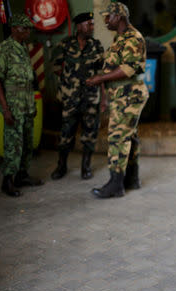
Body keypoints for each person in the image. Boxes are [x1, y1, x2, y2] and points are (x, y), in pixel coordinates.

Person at [86, 2, 149, 198]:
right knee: (128, 136)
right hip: (122, 95)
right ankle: (131, 179)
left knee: (117, 137)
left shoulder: (132, 38)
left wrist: (99, 79)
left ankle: (115, 184)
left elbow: (126, 69)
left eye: (108, 17)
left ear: (119, 16)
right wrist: (105, 94)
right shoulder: (120, 38)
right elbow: (110, 67)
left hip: (129, 94)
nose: (105, 20)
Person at [0, 13, 43, 197]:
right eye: (24, 28)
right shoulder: (4, 49)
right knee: (13, 144)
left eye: (29, 28)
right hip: (13, 105)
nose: (28, 32)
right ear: (14, 29)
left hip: (27, 103)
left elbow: (27, 79)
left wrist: (33, 103)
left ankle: (22, 175)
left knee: (28, 142)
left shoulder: (23, 48)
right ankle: (8, 181)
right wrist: (5, 108)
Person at [50, 12, 104, 180]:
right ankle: (61, 166)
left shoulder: (96, 46)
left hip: (90, 98)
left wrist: (104, 98)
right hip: (70, 98)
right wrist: (70, 81)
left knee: (90, 134)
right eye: (89, 24)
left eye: (93, 24)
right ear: (79, 26)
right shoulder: (65, 44)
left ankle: (85, 166)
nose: (92, 27)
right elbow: (55, 66)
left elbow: (102, 73)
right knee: (66, 133)